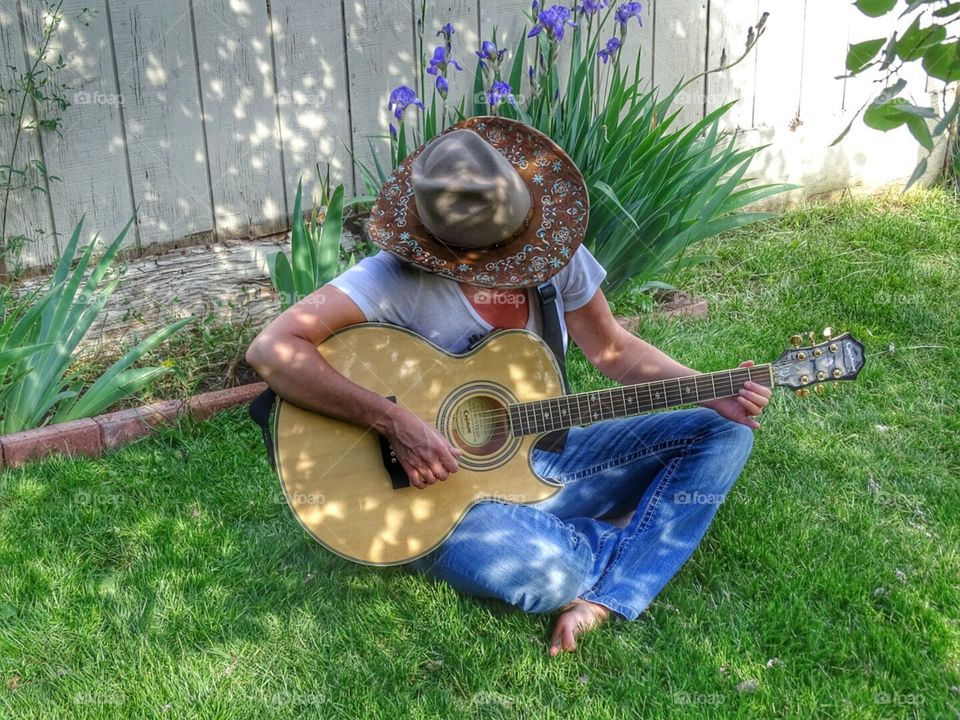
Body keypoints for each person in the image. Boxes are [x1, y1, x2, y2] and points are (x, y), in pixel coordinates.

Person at [246, 116, 772, 656]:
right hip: (436, 497)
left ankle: (605, 585)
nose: (514, 261)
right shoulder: (391, 280)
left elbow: (613, 349)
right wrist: (393, 419)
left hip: (545, 456)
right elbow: (272, 350)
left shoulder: (550, 252)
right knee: (552, 576)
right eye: (493, 252)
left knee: (724, 433)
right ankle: (623, 536)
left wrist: (707, 388)